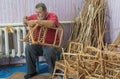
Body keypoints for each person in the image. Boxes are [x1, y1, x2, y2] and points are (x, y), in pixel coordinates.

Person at [23, 3, 59, 79]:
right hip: (39, 44)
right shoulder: (34, 16)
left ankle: (53, 72)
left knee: (49, 51)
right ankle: (31, 71)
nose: (38, 15)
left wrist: (37, 22)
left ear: (45, 11)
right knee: (28, 47)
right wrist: (25, 20)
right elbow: (25, 21)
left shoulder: (52, 16)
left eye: (39, 12)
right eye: (36, 12)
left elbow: (52, 24)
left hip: (50, 44)